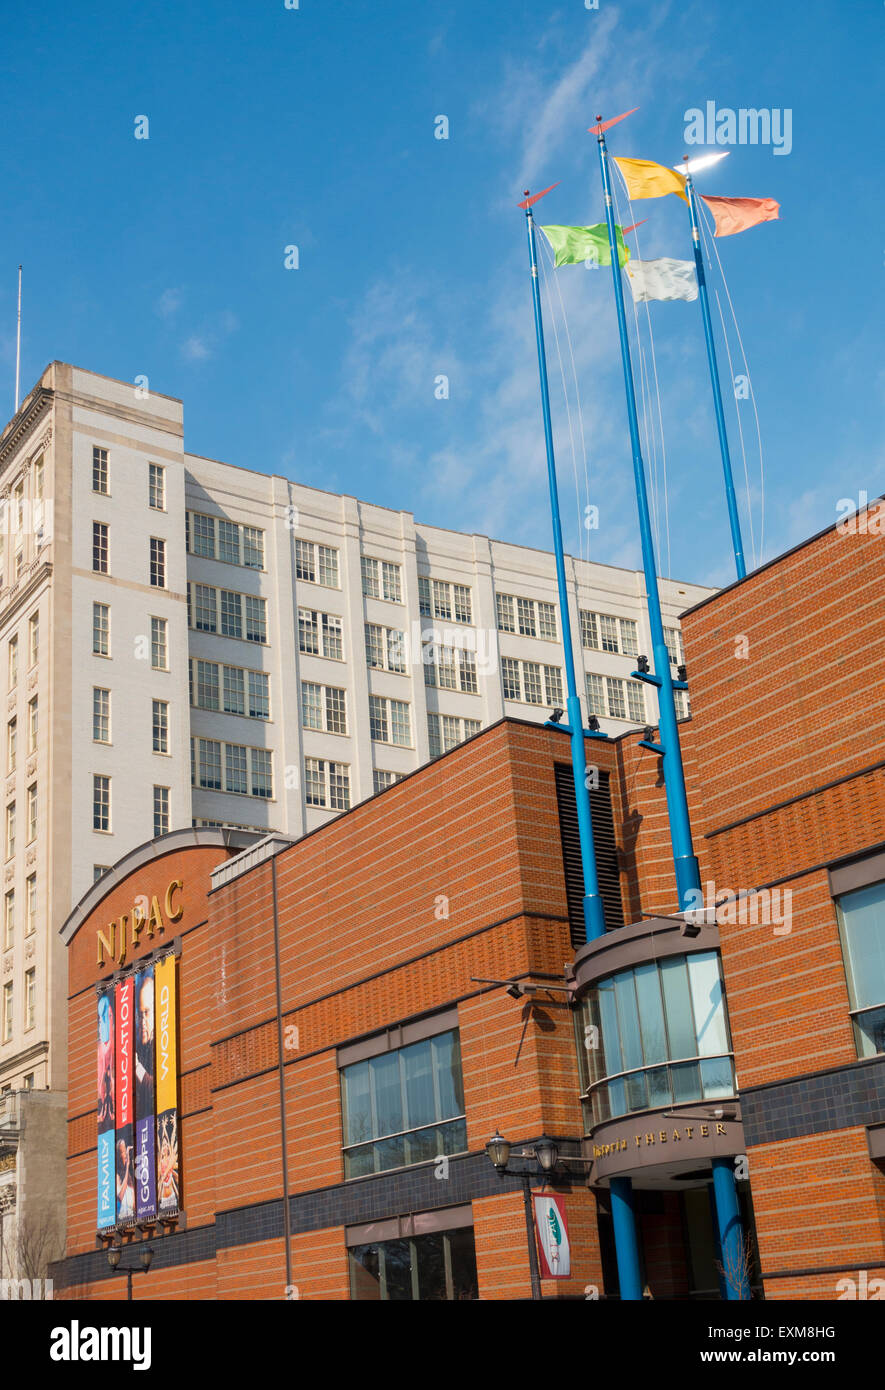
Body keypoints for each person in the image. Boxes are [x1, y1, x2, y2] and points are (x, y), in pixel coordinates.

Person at [134, 973, 155, 1117]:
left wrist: (137, 1068)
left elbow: (159, 1087)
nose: (142, 1022)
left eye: (146, 1013)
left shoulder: (162, 1044)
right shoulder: (137, 1046)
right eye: (140, 1014)